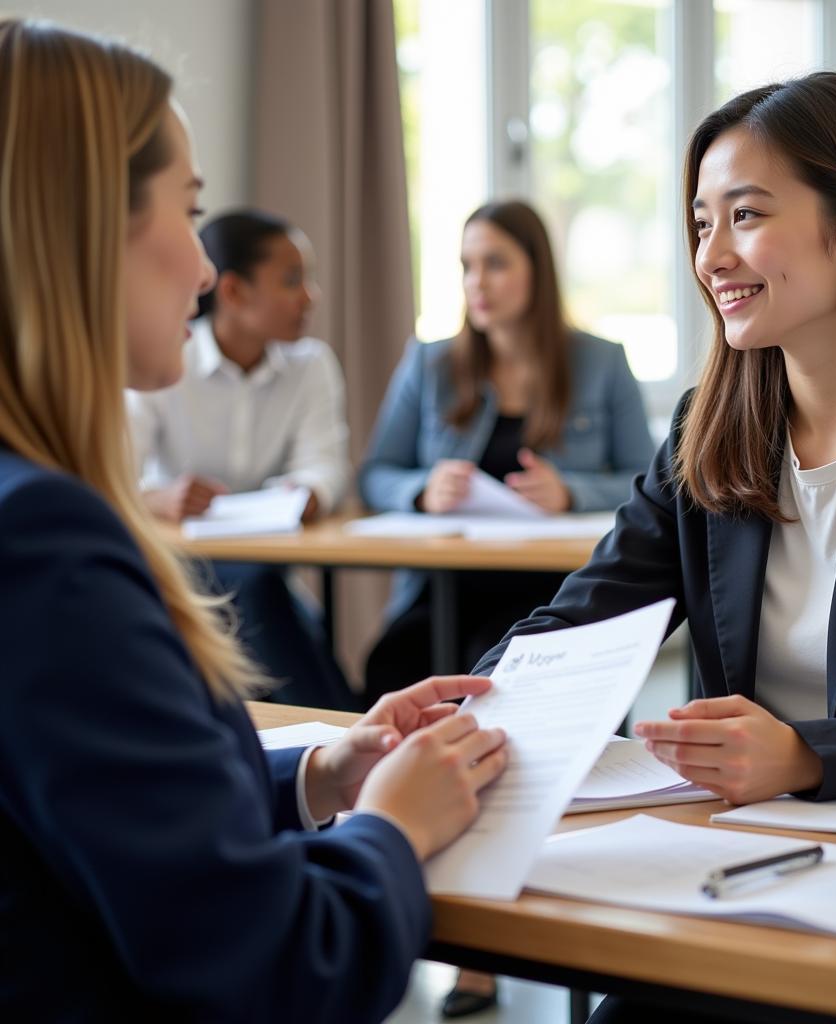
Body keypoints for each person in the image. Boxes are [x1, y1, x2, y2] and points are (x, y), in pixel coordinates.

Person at [469, 75, 836, 1024]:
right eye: (700, 223)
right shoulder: (709, 431)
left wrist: (806, 755)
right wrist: (471, 705)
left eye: (747, 215)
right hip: (741, 874)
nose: (712, 255)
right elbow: (583, 617)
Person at [0, 19, 507, 1023]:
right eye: (187, 214)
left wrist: (323, 771)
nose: (200, 270)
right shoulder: (45, 547)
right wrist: (395, 829)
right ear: (87, 225)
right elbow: (280, 966)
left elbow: (119, 825)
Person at [359, 199, 655, 704]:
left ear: (537, 271)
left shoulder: (602, 362)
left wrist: (569, 492)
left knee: (494, 663)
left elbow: (648, 480)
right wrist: (422, 490)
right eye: (467, 267)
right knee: (392, 662)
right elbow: (374, 474)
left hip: (551, 590)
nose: (477, 281)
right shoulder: (430, 364)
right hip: (443, 585)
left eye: (495, 264)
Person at [126, 208, 354, 709]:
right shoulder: (167, 358)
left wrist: (309, 492)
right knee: (262, 603)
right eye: (292, 280)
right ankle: (345, 725)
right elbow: (119, 471)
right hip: (180, 569)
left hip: (271, 569)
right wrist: (160, 497)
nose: (309, 296)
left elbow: (326, 465)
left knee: (266, 599)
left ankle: (338, 730)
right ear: (232, 291)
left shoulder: (310, 365)